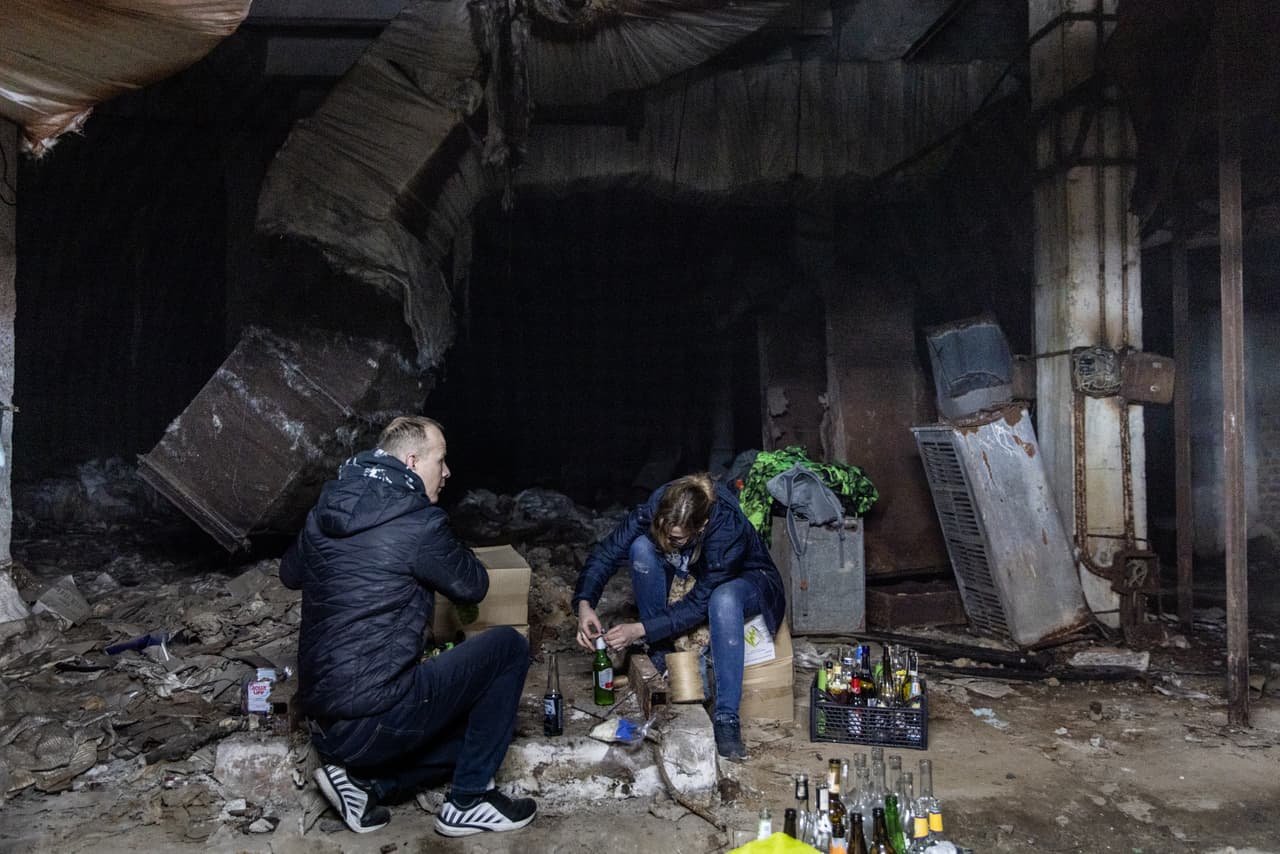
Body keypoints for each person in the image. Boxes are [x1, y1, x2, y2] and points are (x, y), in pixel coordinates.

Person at [280, 415, 536, 836]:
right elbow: (473, 585)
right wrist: (445, 542)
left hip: (325, 727)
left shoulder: (325, 510)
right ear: (413, 462)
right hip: (376, 721)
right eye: (442, 460)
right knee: (507, 647)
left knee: (482, 735)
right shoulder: (418, 522)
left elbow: (291, 574)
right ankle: (469, 800)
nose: (448, 472)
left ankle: (366, 785)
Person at [572, 473, 786, 759]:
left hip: (747, 580)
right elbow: (610, 551)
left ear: (702, 526)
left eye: (675, 538)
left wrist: (640, 629)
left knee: (723, 600)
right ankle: (660, 654)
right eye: (663, 530)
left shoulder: (726, 531)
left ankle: (726, 719)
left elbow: (700, 603)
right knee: (641, 547)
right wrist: (585, 603)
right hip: (697, 567)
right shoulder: (661, 504)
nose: (666, 540)